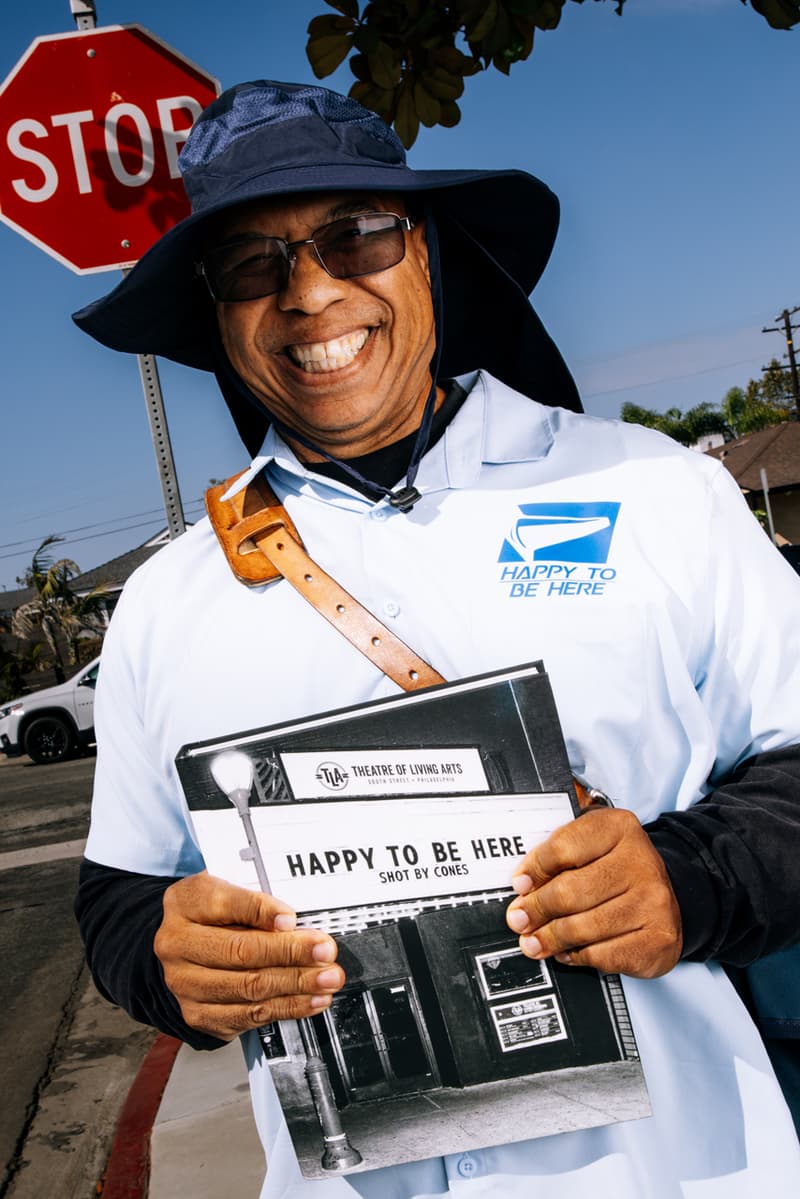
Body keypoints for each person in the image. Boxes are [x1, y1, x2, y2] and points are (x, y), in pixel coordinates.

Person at [73, 80, 800, 1197]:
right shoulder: (168, 602)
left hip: (683, 1171)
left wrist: (685, 876)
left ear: (427, 256)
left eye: (353, 236)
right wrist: (172, 961)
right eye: (252, 265)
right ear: (217, 314)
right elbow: (121, 896)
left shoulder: (655, 492)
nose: (309, 293)